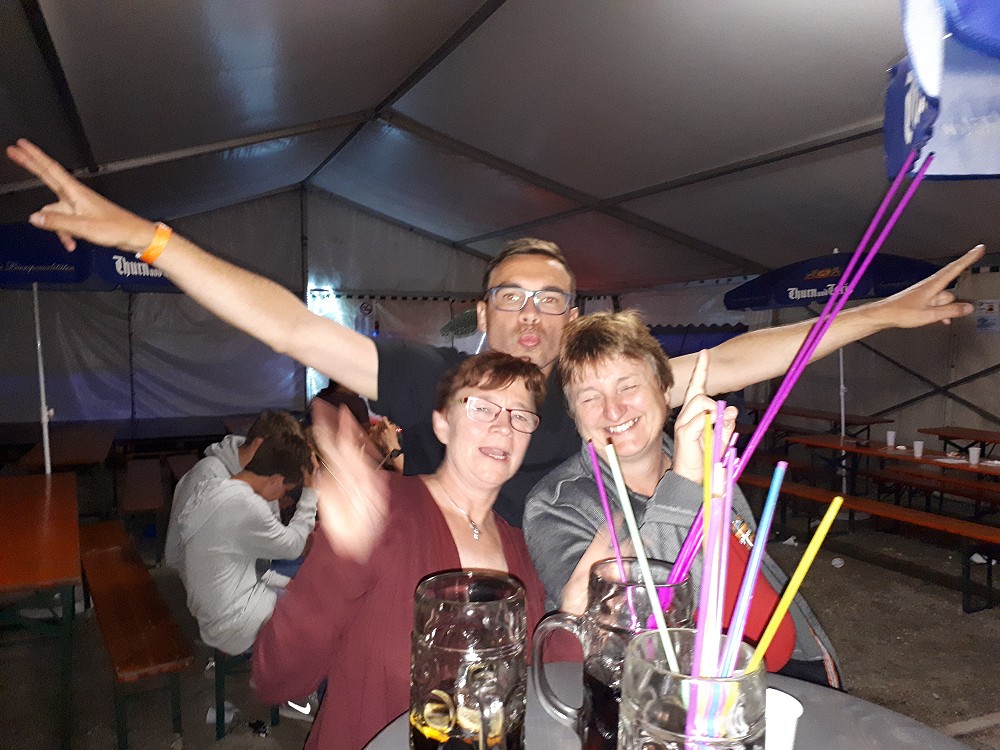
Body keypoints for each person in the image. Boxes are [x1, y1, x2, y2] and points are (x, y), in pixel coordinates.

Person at [6, 138, 983, 527]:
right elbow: (293, 325)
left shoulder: (597, 392)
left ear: (571, 319)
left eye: (550, 300)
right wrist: (153, 241)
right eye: (511, 296)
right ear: (481, 315)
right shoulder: (429, 378)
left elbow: (734, 358)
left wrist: (876, 313)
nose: (529, 312)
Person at [251, 352, 576, 749]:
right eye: (481, 407)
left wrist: (575, 607)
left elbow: (537, 692)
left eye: (520, 416)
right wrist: (341, 559)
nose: (503, 426)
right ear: (442, 423)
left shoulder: (523, 549)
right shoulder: (383, 509)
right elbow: (275, 678)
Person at [524, 311, 840, 687]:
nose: (613, 409)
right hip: (678, 701)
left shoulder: (706, 459)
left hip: (789, 676)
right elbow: (617, 642)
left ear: (664, 391)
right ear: (575, 415)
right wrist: (685, 482)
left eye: (628, 386)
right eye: (590, 397)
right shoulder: (556, 504)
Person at [178, 427, 316, 656]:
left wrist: (283, 582)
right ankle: (284, 673)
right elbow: (294, 546)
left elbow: (244, 567)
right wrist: (311, 493)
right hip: (234, 624)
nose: (283, 497)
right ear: (277, 480)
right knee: (323, 620)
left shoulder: (214, 488)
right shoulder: (245, 505)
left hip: (216, 615)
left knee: (302, 594)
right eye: (286, 490)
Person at [163, 409, 304, 572]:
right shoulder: (206, 476)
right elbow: (174, 554)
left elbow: (268, 548)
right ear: (259, 445)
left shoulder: (266, 478)